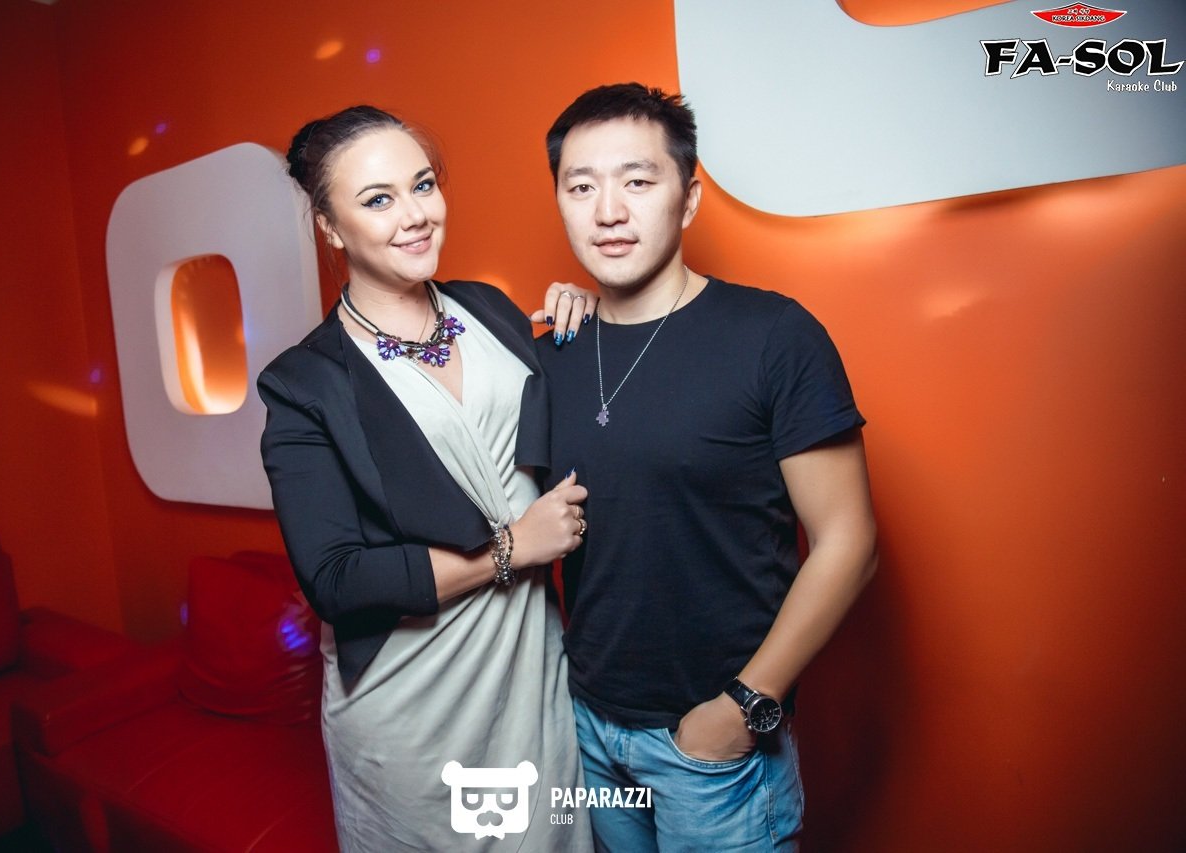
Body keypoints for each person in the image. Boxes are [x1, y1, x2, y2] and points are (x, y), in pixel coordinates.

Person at [535, 83, 879, 852]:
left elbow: (850, 542)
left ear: (688, 199)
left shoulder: (773, 335)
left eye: (637, 180)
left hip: (715, 750)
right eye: (581, 187)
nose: (608, 211)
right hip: (588, 728)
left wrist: (742, 708)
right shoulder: (551, 353)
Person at [258, 105, 596, 851]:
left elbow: (554, 428)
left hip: (532, 677)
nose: (415, 215)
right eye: (378, 199)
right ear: (331, 227)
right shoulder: (304, 383)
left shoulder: (491, 309)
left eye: (422, 185)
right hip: (414, 703)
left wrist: (584, 320)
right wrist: (512, 546)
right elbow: (336, 580)